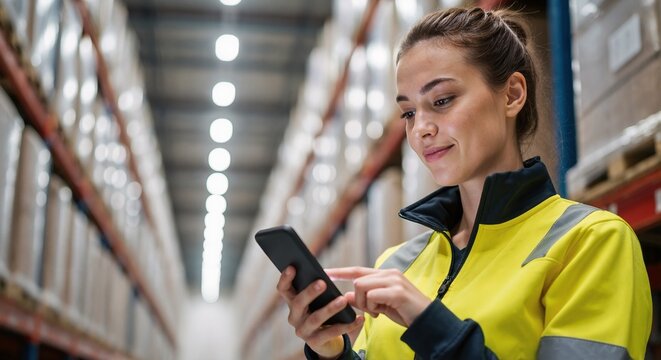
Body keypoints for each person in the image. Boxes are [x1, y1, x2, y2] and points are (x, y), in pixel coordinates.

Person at [276, 7, 652, 359]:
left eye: (441, 100)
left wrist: (430, 324)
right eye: (408, 112)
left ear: (512, 94)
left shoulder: (589, 242)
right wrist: (333, 352)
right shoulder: (398, 264)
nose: (420, 128)